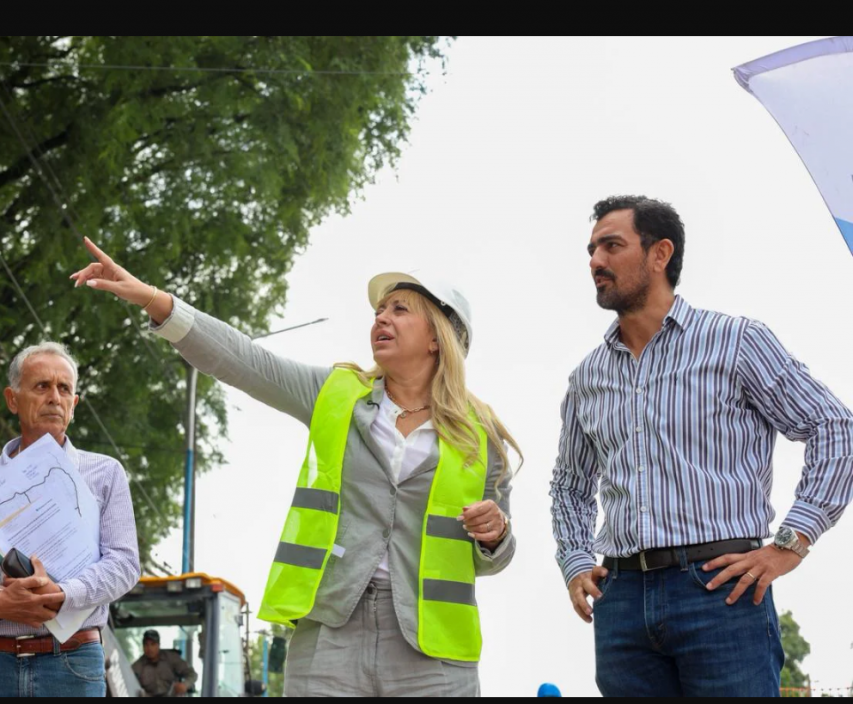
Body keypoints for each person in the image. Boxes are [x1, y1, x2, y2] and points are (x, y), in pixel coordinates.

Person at [72, 237, 522, 697]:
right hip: (331, 630)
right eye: (378, 311)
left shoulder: (481, 436)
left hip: (434, 654)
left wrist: (495, 535)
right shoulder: (335, 393)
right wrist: (153, 299)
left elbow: (495, 559)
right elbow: (246, 362)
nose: (381, 318)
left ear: (437, 336)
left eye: (400, 309)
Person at [550, 195, 853, 697]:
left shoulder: (736, 342)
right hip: (621, 602)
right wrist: (577, 561)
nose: (595, 262)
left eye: (611, 246)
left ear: (659, 253)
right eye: (591, 249)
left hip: (720, 593)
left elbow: (834, 427)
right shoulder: (587, 377)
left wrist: (791, 543)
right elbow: (569, 485)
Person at [0, 341, 141, 697]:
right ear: (12, 399)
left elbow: (124, 564)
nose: (54, 397)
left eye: (64, 389)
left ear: (74, 405)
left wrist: (63, 593)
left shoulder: (105, 474)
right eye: (41, 386)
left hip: (72, 663)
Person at [131, 630, 198, 697]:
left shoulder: (172, 658)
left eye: (153, 644)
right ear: (143, 647)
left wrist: (185, 685)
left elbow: (192, 674)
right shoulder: (137, 666)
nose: (149, 648)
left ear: (158, 645)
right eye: (146, 645)